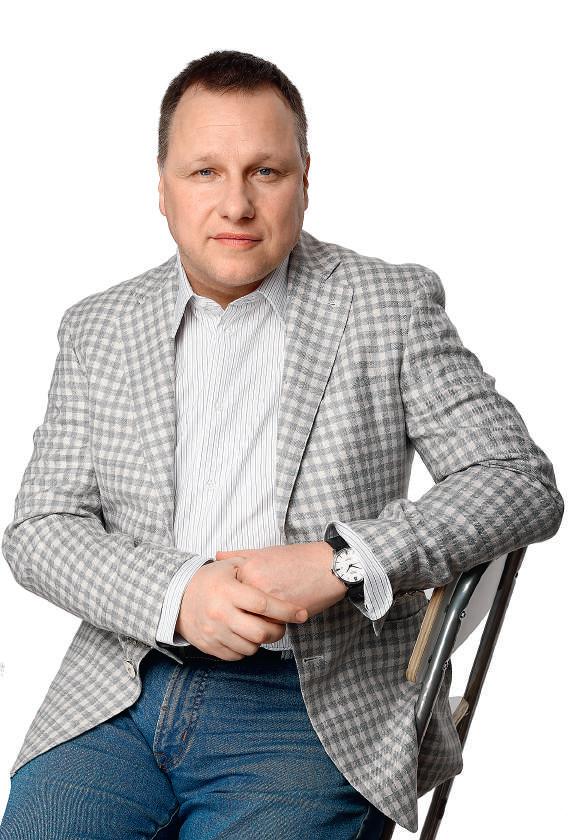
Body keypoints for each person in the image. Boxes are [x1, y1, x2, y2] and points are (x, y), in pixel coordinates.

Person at [0, 49, 564, 838]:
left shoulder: (387, 304)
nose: (235, 203)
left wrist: (344, 561)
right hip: (121, 686)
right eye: (205, 172)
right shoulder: (99, 326)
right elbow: (39, 527)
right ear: (162, 188)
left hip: (312, 701)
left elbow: (515, 479)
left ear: (304, 180)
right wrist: (179, 593)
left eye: (264, 171)